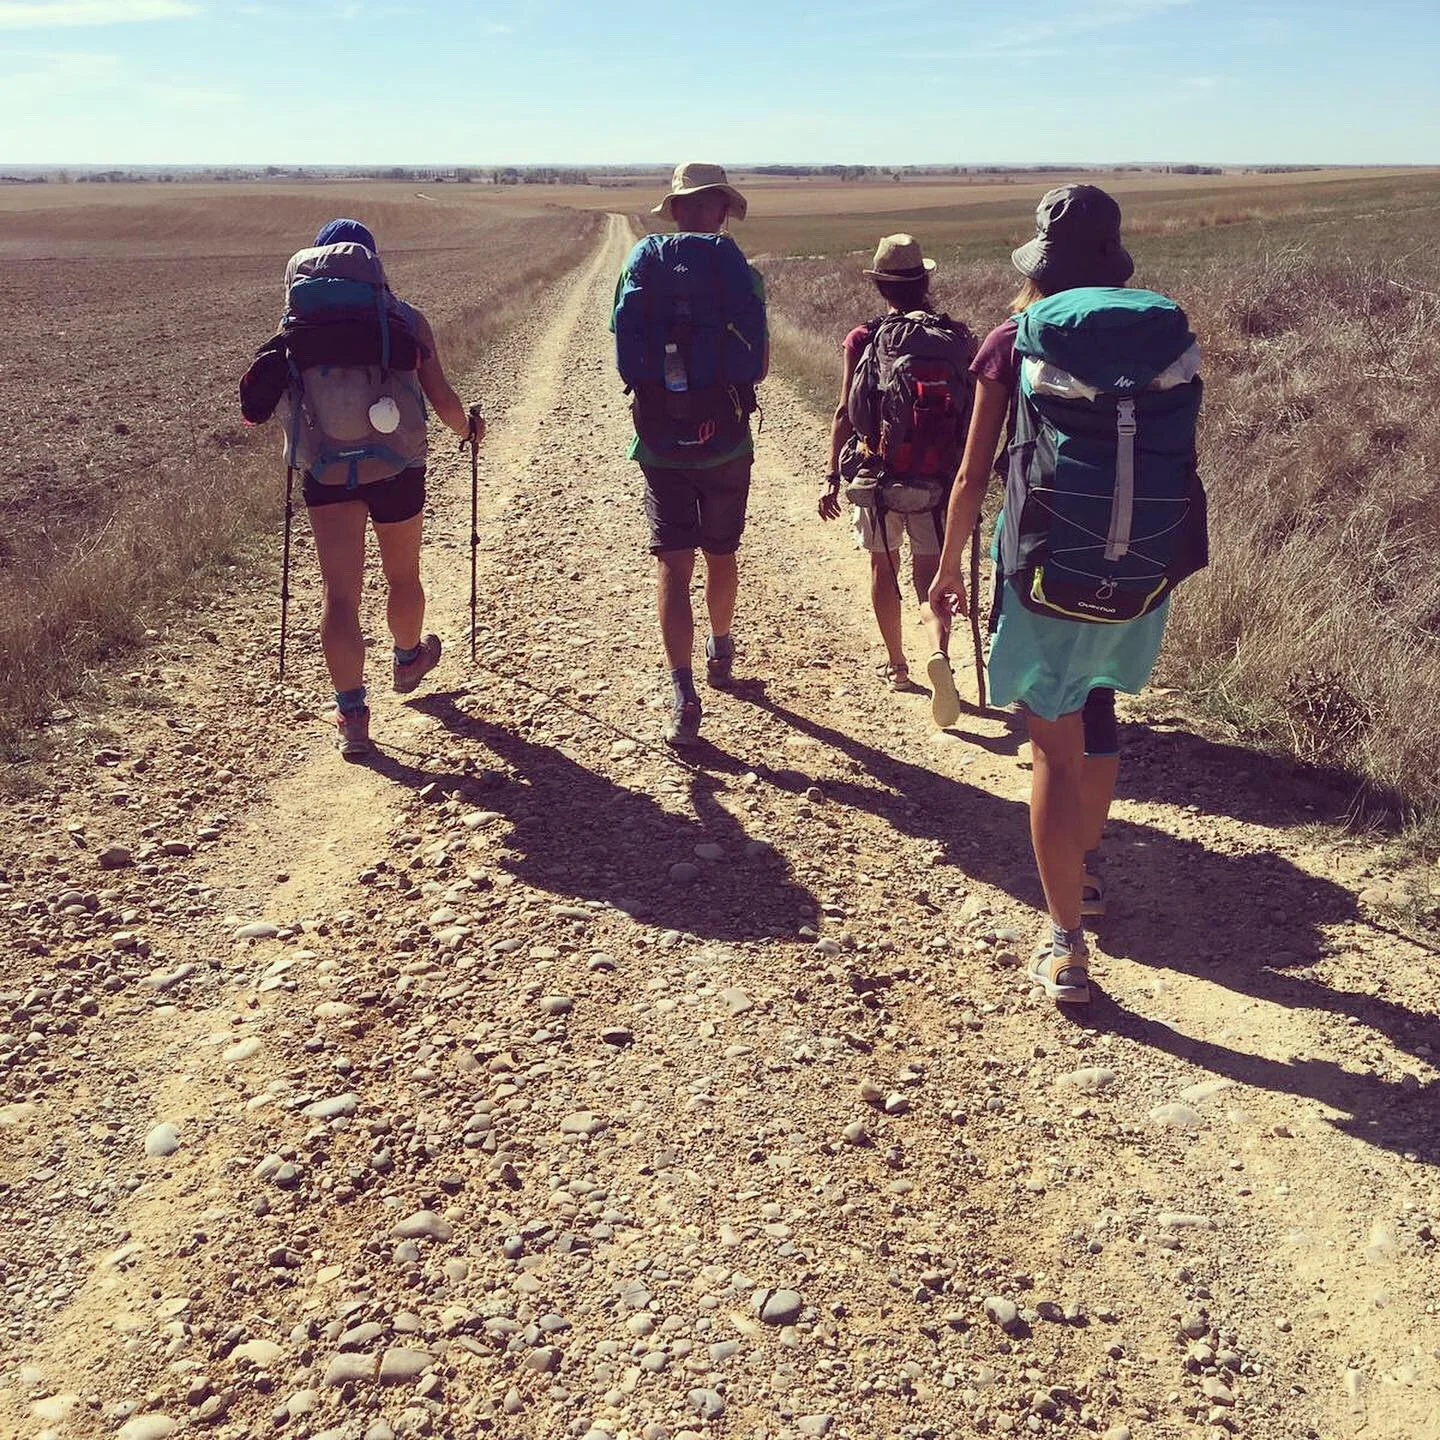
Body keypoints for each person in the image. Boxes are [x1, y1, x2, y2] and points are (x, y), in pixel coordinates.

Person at [928, 185, 1186, 1006]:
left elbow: (972, 475)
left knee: (1050, 745)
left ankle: (1066, 947)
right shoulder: (1161, 336)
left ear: (1040, 263)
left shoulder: (1012, 339)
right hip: (1142, 564)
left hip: (1043, 567)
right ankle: (1089, 867)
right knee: (1098, 702)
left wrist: (945, 569)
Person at [263, 218, 481, 758]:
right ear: (373, 265)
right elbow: (440, 396)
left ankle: (353, 714)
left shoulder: (296, 321)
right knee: (402, 575)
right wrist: (468, 430)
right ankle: (408, 659)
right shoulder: (406, 318)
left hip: (326, 471)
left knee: (340, 595)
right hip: (396, 466)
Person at [611, 164, 768, 746]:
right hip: (727, 439)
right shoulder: (741, 272)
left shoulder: (641, 262)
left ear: (675, 209)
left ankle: (683, 694)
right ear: (723, 212)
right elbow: (759, 365)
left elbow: (625, 348)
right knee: (721, 553)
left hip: (659, 440)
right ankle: (720, 650)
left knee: (673, 567)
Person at [820, 233, 966, 726]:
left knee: (883, 568)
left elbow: (846, 411)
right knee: (931, 576)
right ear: (924, 281)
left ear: (880, 285)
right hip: (936, 478)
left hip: (879, 475)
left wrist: (831, 476)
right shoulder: (954, 337)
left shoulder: (864, 338)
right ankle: (938, 652)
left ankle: (898, 665)